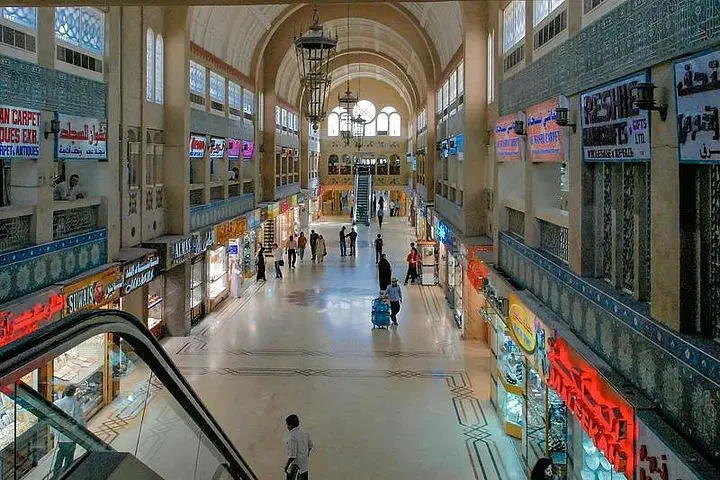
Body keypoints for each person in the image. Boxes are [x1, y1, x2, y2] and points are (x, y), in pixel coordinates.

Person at [52, 384, 85, 476]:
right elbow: (80, 419)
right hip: (72, 435)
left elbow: (53, 418)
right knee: (69, 456)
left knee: (60, 454)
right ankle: (67, 473)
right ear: (73, 392)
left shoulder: (57, 403)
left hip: (61, 435)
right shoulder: (76, 403)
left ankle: (56, 473)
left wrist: (52, 432)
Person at [284, 414, 313, 480]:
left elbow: (292, 455)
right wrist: (306, 454)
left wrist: (286, 466)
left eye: (287, 425)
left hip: (295, 468)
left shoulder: (292, 436)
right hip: (304, 466)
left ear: (290, 425)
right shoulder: (305, 433)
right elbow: (310, 445)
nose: (287, 427)